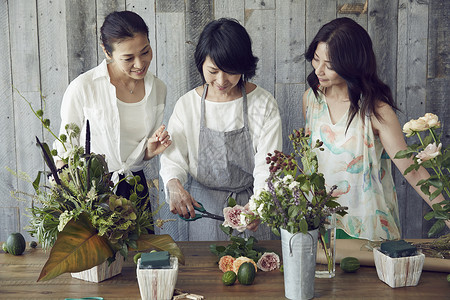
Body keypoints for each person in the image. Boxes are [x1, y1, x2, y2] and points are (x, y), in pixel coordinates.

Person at [303, 17, 449, 241]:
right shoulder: (311, 100)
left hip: (367, 228)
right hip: (319, 224)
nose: (319, 70)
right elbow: (309, 161)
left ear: (351, 66)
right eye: (316, 59)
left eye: (330, 65)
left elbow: (413, 170)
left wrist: (447, 213)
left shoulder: (376, 111)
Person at [160, 18, 283, 241]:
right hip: (203, 209)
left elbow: (268, 165)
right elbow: (173, 159)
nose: (222, 80)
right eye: (213, 71)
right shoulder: (187, 105)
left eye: (231, 72)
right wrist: (174, 184)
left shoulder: (263, 103)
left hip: (251, 202)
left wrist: (259, 204)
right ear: (201, 64)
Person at [55, 11, 171, 203]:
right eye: (128, 58)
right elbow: (64, 153)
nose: (140, 64)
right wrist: (74, 202)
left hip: (135, 188)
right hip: (91, 192)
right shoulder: (84, 87)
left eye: (145, 52)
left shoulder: (158, 89)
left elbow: (134, 154)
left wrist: (149, 151)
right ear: (107, 52)